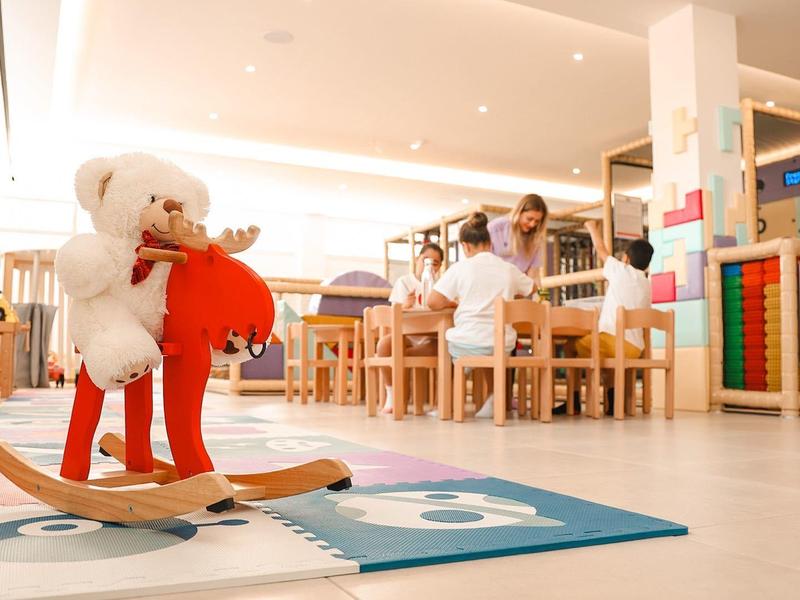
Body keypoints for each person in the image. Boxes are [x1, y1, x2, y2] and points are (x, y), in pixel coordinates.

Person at [428, 212, 534, 418]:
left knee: (451, 348)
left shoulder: (460, 268)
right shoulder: (508, 269)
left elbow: (433, 302)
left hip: (468, 342)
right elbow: (532, 288)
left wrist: (454, 302)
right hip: (503, 344)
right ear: (490, 243)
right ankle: (494, 398)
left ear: (465, 246)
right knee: (490, 343)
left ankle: (445, 404)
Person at [577, 220, 654, 415]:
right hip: (635, 348)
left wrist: (592, 228)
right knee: (606, 360)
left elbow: (601, 250)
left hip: (613, 342)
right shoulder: (646, 284)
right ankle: (613, 403)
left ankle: (574, 400)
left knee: (573, 346)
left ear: (626, 258)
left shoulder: (620, 270)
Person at [376, 243, 444, 414]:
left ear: (440, 267)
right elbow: (393, 315)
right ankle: (392, 394)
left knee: (444, 347)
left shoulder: (441, 286)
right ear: (417, 259)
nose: (429, 266)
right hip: (407, 336)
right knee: (384, 345)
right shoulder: (404, 282)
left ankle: (439, 403)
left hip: (432, 338)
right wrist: (404, 306)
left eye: (435, 263)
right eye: (425, 260)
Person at [488, 194, 549, 282]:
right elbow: (483, 263)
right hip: (493, 282)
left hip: (517, 286)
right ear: (519, 212)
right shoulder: (495, 228)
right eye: (529, 219)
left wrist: (541, 291)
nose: (532, 224)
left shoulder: (536, 240)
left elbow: (534, 275)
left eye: (537, 221)